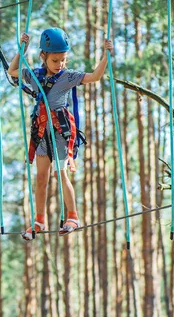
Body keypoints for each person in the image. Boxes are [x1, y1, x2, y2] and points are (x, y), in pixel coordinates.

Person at [8, 27, 113, 240]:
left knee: (61, 173)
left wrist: (106, 55)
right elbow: (12, 71)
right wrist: (22, 49)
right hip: (40, 133)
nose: (60, 65)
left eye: (63, 60)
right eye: (55, 61)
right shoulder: (35, 76)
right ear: (43, 57)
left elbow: (95, 76)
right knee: (41, 178)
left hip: (58, 133)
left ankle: (72, 217)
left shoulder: (68, 77)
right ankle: (38, 221)